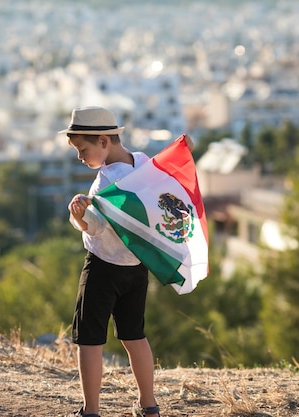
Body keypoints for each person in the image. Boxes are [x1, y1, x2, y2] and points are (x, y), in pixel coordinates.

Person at [62, 106, 192, 417]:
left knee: (89, 339)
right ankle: (149, 405)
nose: (81, 157)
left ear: (103, 141)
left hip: (102, 268)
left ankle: (90, 410)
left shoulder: (105, 184)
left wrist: (77, 217)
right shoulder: (145, 164)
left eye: (83, 149)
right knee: (135, 336)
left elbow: (96, 226)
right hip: (137, 268)